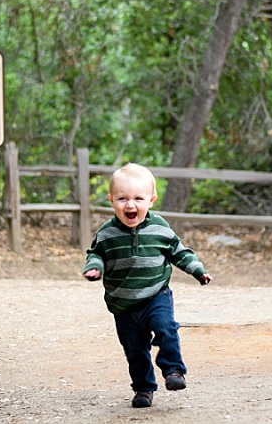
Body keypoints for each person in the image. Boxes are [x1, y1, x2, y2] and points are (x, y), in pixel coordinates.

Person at [83, 163, 213, 408]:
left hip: (156, 294)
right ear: (111, 200)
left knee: (166, 327)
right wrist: (95, 267)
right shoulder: (107, 233)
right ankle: (143, 389)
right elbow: (96, 254)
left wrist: (198, 270)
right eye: (122, 198)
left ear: (151, 200)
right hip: (123, 303)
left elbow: (179, 252)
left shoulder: (160, 228)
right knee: (135, 350)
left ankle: (174, 370)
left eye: (138, 198)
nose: (130, 205)